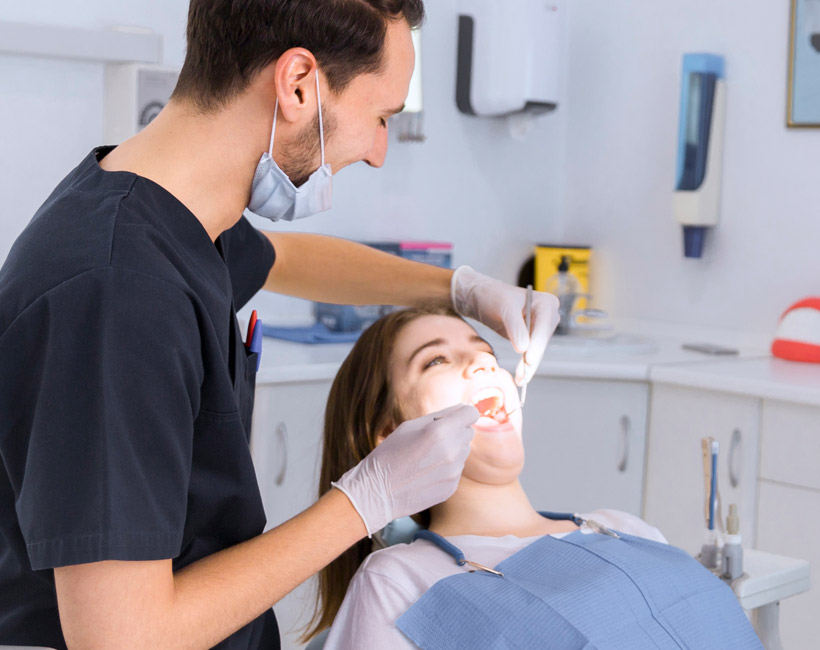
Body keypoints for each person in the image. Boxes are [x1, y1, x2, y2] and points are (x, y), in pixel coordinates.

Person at [0, 1, 561, 649]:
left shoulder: (174, 217)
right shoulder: (117, 296)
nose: (378, 153)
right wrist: (364, 502)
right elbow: (124, 639)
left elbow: (285, 260)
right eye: (381, 117)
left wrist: (462, 291)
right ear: (297, 84)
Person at [311, 306, 763, 650]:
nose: (482, 362)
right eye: (437, 361)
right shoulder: (399, 579)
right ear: (391, 434)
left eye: (486, 351)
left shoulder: (622, 528)